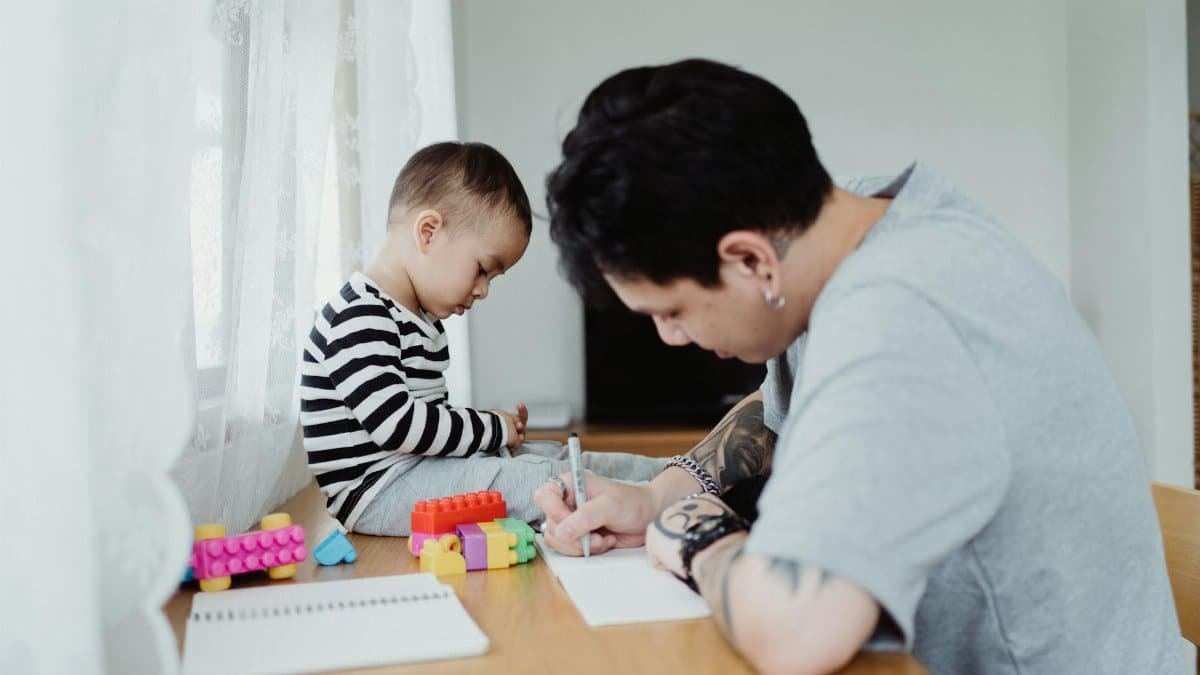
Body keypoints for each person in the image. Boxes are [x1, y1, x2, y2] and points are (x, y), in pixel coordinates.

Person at [536, 59, 1189, 674]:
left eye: (672, 309)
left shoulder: (899, 315)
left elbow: (797, 629)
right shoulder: (847, 225)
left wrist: (698, 536)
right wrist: (661, 495)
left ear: (753, 261)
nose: (671, 337)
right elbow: (793, 405)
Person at [300, 141, 665, 535]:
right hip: (377, 493)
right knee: (540, 477)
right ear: (428, 232)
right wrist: (491, 428)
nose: (482, 290)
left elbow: (430, 431)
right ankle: (654, 501)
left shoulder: (419, 321)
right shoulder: (358, 315)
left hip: (412, 473)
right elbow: (398, 426)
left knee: (548, 456)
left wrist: (494, 437)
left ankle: (673, 477)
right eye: (481, 270)